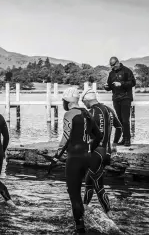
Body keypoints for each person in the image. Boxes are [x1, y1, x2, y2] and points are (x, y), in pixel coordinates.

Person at [50, 87, 102, 234]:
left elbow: (65, 138)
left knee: (74, 194)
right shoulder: (87, 113)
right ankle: (82, 222)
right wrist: (90, 148)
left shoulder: (69, 114)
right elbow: (98, 136)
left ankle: (80, 229)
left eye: (63, 101)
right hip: (87, 157)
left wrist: (56, 157)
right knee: (79, 193)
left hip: (74, 158)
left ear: (67, 101)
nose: (62, 104)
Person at [80, 89, 123, 219]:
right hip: (107, 153)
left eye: (84, 102)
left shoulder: (91, 112)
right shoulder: (109, 109)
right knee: (92, 181)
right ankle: (84, 210)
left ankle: (108, 215)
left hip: (96, 152)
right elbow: (119, 127)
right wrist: (114, 144)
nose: (84, 105)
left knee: (96, 185)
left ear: (87, 100)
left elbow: (85, 134)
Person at [104, 57, 136, 146]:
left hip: (126, 98)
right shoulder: (111, 73)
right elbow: (109, 86)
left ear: (118, 62)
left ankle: (127, 139)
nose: (112, 67)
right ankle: (124, 138)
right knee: (120, 119)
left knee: (125, 120)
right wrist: (106, 87)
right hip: (116, 99)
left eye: (113, 65)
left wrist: (121, 84)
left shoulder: (127, 71)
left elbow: (133, 83)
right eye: (111, 65)